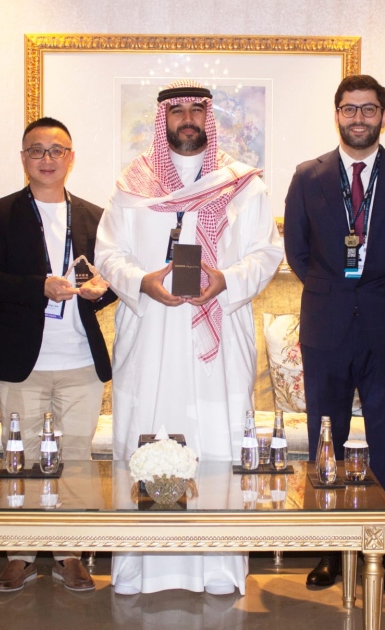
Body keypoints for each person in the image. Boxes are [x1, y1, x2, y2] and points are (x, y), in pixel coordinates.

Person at [95, 79, 283, 595]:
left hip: (217, 333)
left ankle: (217, 567)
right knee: (145, 434)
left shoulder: (242, 185)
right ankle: (137, 568)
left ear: (208, 117)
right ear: (163, 119)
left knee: (216, 439)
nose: (186, 119)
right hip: (150, 334)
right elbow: (108, 254)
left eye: (195, 110)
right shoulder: (132, 185)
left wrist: (227, 280)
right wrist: (142, 282)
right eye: (176, 110)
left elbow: (267, 253)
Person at [283, 74, 385, 590]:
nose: (359, 118)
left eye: (369, 109)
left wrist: (378, 296)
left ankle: (379, 553)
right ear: (337, 115)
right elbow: (298, 253)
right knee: (325, 439)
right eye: (350, 109)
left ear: (383, 117)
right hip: (325, 326)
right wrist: (336, 293)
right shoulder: (308, 176)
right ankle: (329, 550)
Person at [0, 117, 115, 592]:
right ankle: (19, 552)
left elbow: (112, 280)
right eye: (37, 150)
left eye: (57, 150)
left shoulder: (95, 216)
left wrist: (100, 291)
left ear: (71, 158)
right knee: (20, 456)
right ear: (23, 158)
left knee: (76, 456)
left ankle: (71, 552)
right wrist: (40, 286)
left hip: (79, 360)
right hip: (22, 360)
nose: (47, 159)